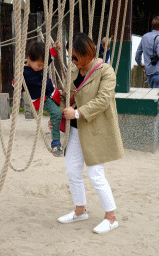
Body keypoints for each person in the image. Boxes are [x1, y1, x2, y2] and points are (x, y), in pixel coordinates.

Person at [49, 33, 124, 234]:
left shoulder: (105, 71)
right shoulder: (74, 70)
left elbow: (103, 99)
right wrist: (58, 115)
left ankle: (111, 217)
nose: (72, 61)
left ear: (88, 53)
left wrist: (78, 112)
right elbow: (70, 96)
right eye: (70, 56)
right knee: (72, 171)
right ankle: (80, 210)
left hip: (95, 130)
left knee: (96, 175)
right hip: (75, 129)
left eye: (75, 56)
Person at [23, 41, 63, 157]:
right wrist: (16, 82)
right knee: (57, 113)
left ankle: (54, 122)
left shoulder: (42, 63)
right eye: (39, 65)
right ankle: (55, 142)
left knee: (64, 110)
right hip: (42, 99)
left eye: (43, 65)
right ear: (29, 59)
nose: (41, 68)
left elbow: (50, 56)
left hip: (52, 93)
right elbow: (15, 85)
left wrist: (55, 48)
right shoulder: (24, 73)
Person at [135, 16, 159, 88]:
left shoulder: (145, 37)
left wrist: (140, 64)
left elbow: (137, 55)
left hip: (148, 72)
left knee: (152, 96)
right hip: (158, 72)